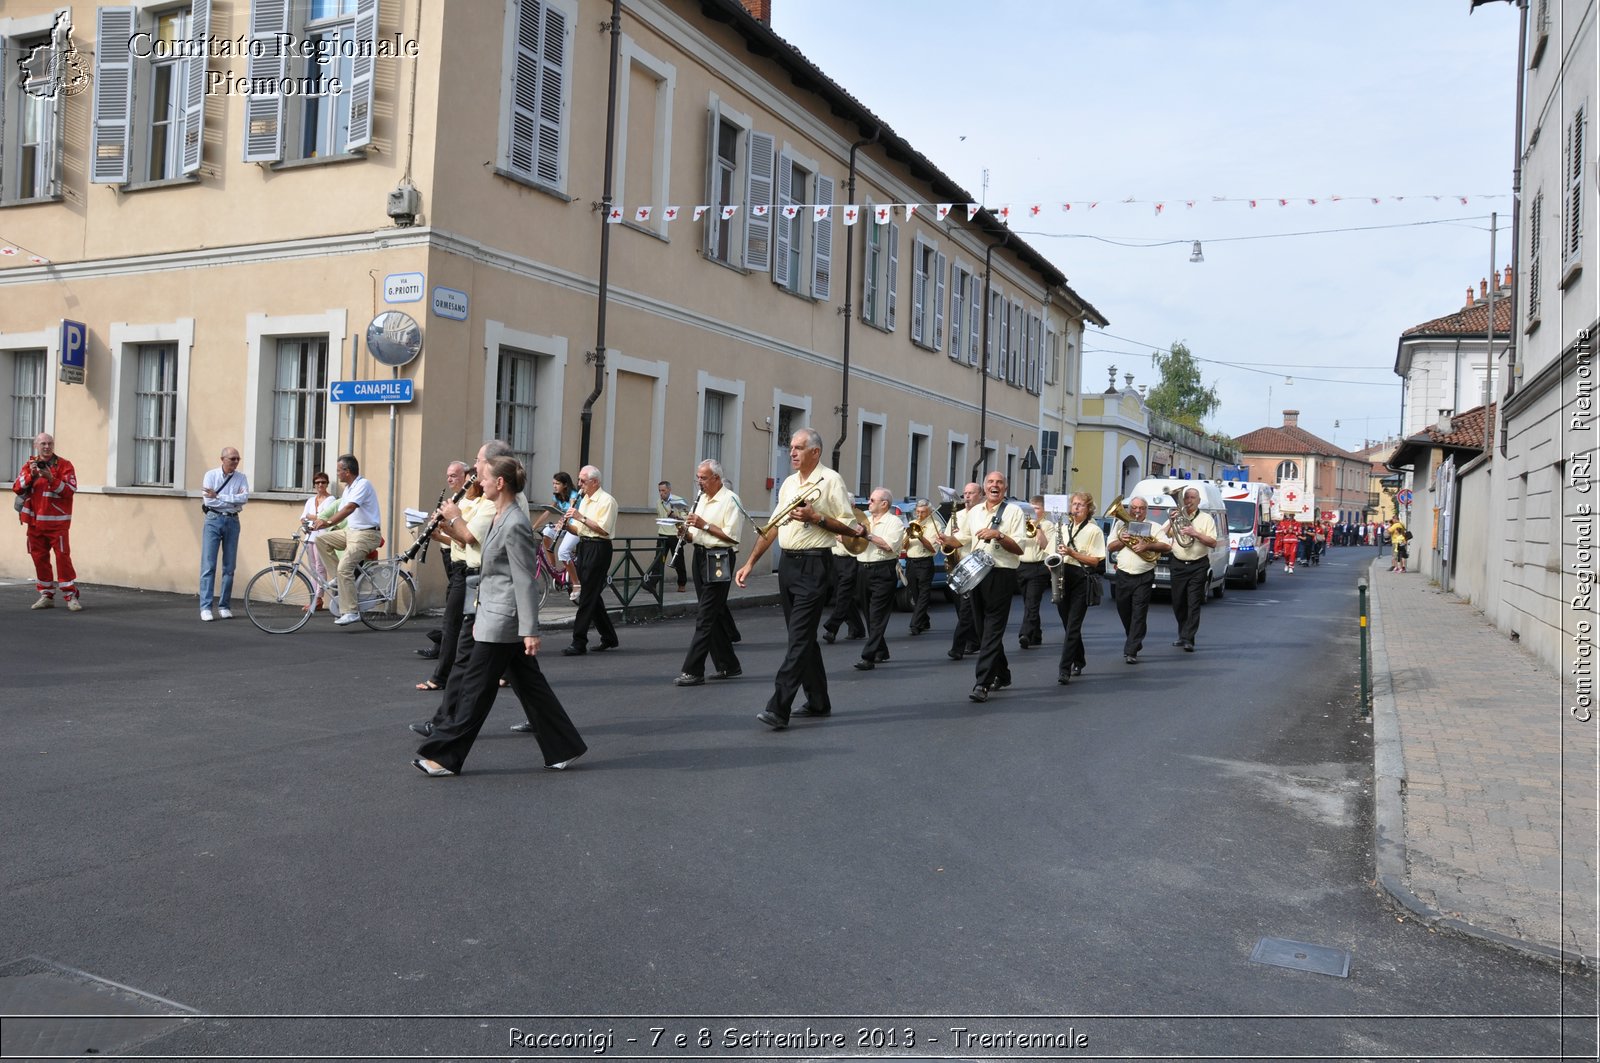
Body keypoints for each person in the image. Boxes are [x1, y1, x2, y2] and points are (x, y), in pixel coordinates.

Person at [412, 453, 586, 776]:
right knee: (531, 686)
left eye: (486, 477)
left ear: (500, 483)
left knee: (475, 690)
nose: (480, 481)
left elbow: (524, 579)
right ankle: (565, 747)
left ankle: (445, 757)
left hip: (503, 619)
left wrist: (531, 630)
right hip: (492, 613)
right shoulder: (499, 515)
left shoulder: (515, 522)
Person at [735, 428, 859, 730]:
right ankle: (818, 701)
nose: (792, 452)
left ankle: (779, 707)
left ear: (815, 452)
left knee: (800, 638)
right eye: (791, 447)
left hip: (815, 565)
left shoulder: (831, 480)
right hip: (788, 567)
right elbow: (774, 526)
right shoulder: (789, 483)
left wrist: (816, 517)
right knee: (800, 638)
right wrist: (750, 562)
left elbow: (850, 527)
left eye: (799, 447)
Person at [673, 459, 745, 686]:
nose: (699, 482)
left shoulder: (730, 499)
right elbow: (699, 535)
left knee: (704, 616)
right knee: (711, 613)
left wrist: (703, 524)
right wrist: (685, 533)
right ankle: (728, 665)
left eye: (703, 478)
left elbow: (732, 536)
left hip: (720, 558)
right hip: (700, 555)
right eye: (698, 478)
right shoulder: (702, 499)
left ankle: (693, 670)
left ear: (716, 478)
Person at [962, 470, 1027, 702]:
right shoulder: (975, 511)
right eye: (990, 481)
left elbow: (1019, 548)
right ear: (985, 487)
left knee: (992, 629)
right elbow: (964, 540)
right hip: (976, 572)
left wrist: (998, 535)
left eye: (999, 482)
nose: (994, 485)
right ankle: (1003, 673)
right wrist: (946, 541)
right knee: (982, 630)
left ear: (1005, 489)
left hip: (1001, 573)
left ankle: (982, 683)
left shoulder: (1014, 511)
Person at [416, 461, 472, 692]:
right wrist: (439, 532)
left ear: (467, 477)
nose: (449, 480)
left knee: (455, 624)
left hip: (469, 568)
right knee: (468, 627)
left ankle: (442, 677)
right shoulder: (459, 502)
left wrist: (446, 528)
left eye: (454, 476)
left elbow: (468, 539)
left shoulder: (473, 504)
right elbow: (460, 539)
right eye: (447, 476)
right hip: (457, 563)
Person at [312, 454, 382, 627]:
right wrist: (318, 520)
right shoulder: (349, 488)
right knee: (322, 540)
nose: (337, 474)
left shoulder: (362, 485)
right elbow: (338, 508)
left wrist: (327, 522)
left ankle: (351, 611)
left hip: (366, 534)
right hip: (351, 532)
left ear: (347, 471)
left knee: (345, 568)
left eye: (338, 471)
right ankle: (337, 576)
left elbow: (350, 508)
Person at [14, 432, 79, 611]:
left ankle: (70, 595)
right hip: (35, 523)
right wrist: (32, 476)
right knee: (39, 558)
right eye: (43, 443)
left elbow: (70, 490)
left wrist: (50, 478)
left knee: (62, 558)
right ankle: (46, 595)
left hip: (57, 523)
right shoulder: (30, 465)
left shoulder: (65, 465)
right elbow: (17, 487)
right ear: (36, 446)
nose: (47, 447)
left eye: (50, 443)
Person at [562, 465, 619, 655]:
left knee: (587, 595)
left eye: (583, 481)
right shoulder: (584, 500)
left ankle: (579, 641)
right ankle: (609, 637)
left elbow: (603, 529)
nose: (579, 484)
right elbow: (580, 530)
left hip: (599, 548)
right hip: (584, 546)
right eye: (579, 480)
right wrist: (565, 527)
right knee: (592, 593)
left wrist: (580, 516)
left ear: (595, 482)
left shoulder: (607, 501)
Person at [1052, 490, 1107, 684]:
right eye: (1074, 504)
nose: (1075, 507)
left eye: (1080, 505)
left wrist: (1072, 553)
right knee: (1069, 625)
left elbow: (1096, 561)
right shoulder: (1063, 527)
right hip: (1062, 576)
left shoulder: (1094, 531)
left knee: (1073, 626)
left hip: (1081, 579)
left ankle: (1064, 669)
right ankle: (1080, 659)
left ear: (1089, 509)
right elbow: (1049, 552)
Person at [1159, 486, 1220, 653]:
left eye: (1193, 497)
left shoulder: (1206, 519)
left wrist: (1195, 533)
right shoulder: (1177, 516)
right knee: (1178, 602)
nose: (1189, 500)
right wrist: (1171, 521)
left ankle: (1189, 638)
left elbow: (1213, 542)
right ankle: (1182, 633)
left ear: (1199, 501)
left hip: (1198, 565)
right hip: (1178, 564)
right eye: (1186, 497)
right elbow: (1161, 535)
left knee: (1193, 602)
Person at [1109, 496, 1165, 664]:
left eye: (1141, 508)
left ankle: (1131, 650)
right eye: (1134, 508)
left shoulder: (1154, 527)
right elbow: (1110, 547)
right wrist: (1121, 541)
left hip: (1144, 575)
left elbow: (1166, 546)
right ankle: (1135, 638)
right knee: (1124, 611)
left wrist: (1147, 546)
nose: (1137, 512)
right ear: (1128, 509)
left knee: (1139, 614)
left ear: (1146, 510)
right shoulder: (1120, 525)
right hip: (1124, 575)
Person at [852, 488, 903, 671]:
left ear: (884, 504)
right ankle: (882, 650)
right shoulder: (863, 518)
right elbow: (853, 542)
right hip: (862, 570)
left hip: (883, 571)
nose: (869, 503)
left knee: (877, 616)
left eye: (873, 500)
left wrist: (867, 535)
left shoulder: (894, 522)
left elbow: (889, 546)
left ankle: (868, 657)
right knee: (867, 613)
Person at [198, 446, 249, 621]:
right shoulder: (210, 475)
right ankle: (205, 607)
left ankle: (224, 605)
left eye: (237, 459)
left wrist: (220, 497)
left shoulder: (241, 477)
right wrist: (231, 500)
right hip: (213, 519)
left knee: (229, 567)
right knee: (209, 565)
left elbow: (244, 498)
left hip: (233, 520)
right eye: (232, 459)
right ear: (223, 459)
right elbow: (208, 499)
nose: (235, 462)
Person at [938, 482, 983, 660]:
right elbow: (947, 540)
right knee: (963, 607)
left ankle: (958, 647)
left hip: (975, 565)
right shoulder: (957, 515)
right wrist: (944, 541)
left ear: (980, 495)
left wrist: (956, 538)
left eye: (971, 493)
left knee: (966, 609)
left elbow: (972, 538)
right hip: (958, 565)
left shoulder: (981, 515)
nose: (967, 496)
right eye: (965, 493)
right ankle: (975, 640)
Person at [300, 470, 344, 612]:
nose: (320, 485)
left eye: (323, 482)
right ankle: (314, 597)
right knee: (313, 568)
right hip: (309, 537)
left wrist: (311, 516)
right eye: (317, 482)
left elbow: (323, 518)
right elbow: (303, 518)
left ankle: (319, 598)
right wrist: (312, 517)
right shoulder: (310, 501)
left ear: (327, 484)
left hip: (322, 537)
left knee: (320, 567)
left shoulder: (331, 500)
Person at [820, 515, 866, 644]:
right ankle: (857, 629)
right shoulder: (833, 519)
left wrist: (845, 540)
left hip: (850, 560)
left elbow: (861, 543)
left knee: (842, 596)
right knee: (846, 598)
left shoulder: (857, 522)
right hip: (835, 560)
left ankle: (832, 628)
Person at [1015, 495, 1052, 649]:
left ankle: (1025, 634)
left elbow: (1046, 546)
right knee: (1028, 602)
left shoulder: (1048, 525)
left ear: (1043, 510)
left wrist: (1037, 528)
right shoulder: (1022, 523)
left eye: (1036, 508)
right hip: (1022, 566)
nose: (1033, 511)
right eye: (1031, 508)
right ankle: (1036, 634)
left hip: (1039, 567)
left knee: (1032, 602)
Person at [642, 480, 689, 595]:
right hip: (663, 534)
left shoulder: (678, 501)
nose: (661, 493)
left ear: (669, 490)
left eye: (663, 490)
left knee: (678, 560)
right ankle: (652, 583)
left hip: (675, 535)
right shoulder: (659, 502)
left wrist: (675, 516)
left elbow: (686, 518)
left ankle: (682, 583)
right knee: (658, 559)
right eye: (659, 491)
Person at [541, 471, 582, 601]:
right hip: (564, 526)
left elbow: (570, 511)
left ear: (565, 485)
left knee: (563, 552)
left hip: (576, 527)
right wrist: (534, 526)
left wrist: (562, 520)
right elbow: (547, 512)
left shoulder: (574, 495)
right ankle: (553, 568)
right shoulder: (557, 496)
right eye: (553, 483)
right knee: (546, 531)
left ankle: (576, 584)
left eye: (557, 483)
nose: (554, 486)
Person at [902, 498, 939, 636]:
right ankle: (924, 620)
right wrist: (907, 538)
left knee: (923, 594)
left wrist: (920, 537)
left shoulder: (935, 525)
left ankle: (915, 624)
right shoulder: (912, 523)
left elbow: (932, 549)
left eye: (923, 512)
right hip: (911, 562)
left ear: (929, 512)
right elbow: (904, 547)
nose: (919, 515)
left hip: (925, 562)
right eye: (917, 512)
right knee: (915, 593)